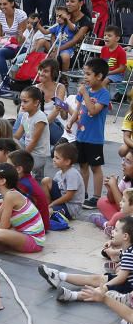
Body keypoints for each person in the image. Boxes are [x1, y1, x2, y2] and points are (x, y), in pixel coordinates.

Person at [39, 216, 133, 302]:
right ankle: (59, 276)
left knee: (99, 291)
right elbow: (121, 258)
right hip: (125, 281)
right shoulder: (128, 249)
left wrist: (105, 287)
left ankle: (73, 295)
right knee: (96, 279)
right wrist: (113, 244)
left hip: (128, 286)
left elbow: (121, 277)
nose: (112, 231)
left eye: (116, 230)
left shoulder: (129, 253)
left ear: (125, 236)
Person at [68, 58, 110, 211]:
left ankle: (96, 197)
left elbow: (93, 110)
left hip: (94, 139)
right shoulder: (84, 91)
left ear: (99, 76)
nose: (85, 77)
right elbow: (79, 109)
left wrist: (84, 93)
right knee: (83, 166)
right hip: (81, 136)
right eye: (84, 74)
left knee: (95, 167)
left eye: (88, 74)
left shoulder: (104, 94)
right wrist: (71, 122)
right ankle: (83, 193)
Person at [42, 142, 86, 220]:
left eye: (57, 158)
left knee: (47, 213)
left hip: (71, 207)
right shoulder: (59, 173)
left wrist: (53, 204)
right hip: (62, 200)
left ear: (67, 162)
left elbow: (69, 196)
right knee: (46, 181)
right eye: (54, 157)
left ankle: (50, 208)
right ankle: (47, 206)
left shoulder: (72, 174)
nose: (53, 159)